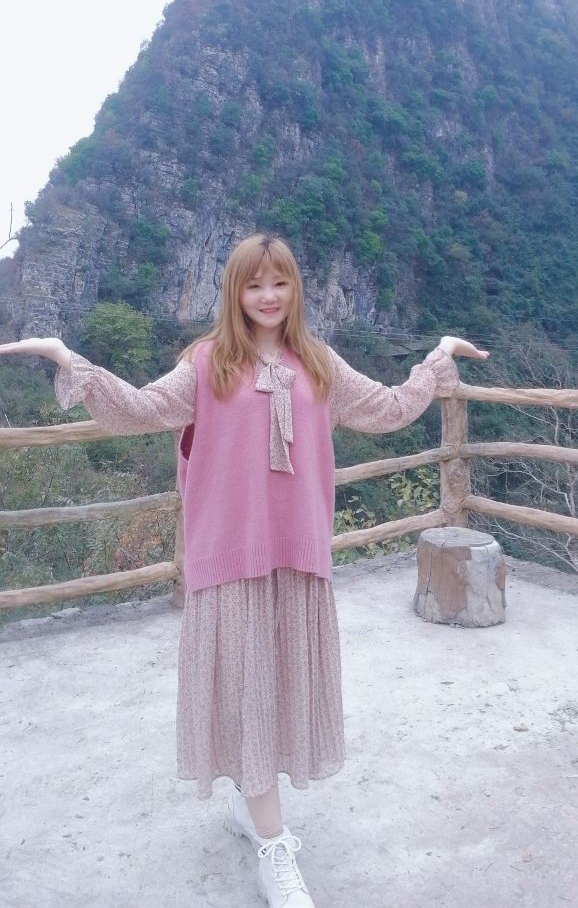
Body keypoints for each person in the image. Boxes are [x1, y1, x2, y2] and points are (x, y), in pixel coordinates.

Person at [0, 232, 488, 908]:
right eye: (254, 284)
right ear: (234, 291)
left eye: (279, 282)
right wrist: (69, 361)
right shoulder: (207, 364)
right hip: (230, 556)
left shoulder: (318, 362)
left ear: (295, 289)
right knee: (250, 691)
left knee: (275, 691)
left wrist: (437, 358)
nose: (268, 296)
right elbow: (141, 409)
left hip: (298, 553)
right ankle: (272, 844)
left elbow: (389, 407)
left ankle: (250, 802)